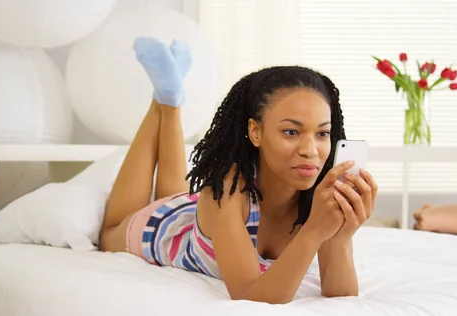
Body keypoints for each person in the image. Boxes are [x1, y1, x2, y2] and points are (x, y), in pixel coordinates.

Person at [99, 37, 378, 304]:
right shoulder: (226, 189)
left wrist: (340, 239)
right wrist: (314, 232)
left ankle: (170, 98)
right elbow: (249, 297)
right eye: (291, 131)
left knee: (175, 192)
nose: (310, 150)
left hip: (202, 214)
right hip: (165, 228)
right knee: (111, 232)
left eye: (322, 133)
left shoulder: (319, 195)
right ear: (255, 132)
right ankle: (162, 102)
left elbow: (342, 299)